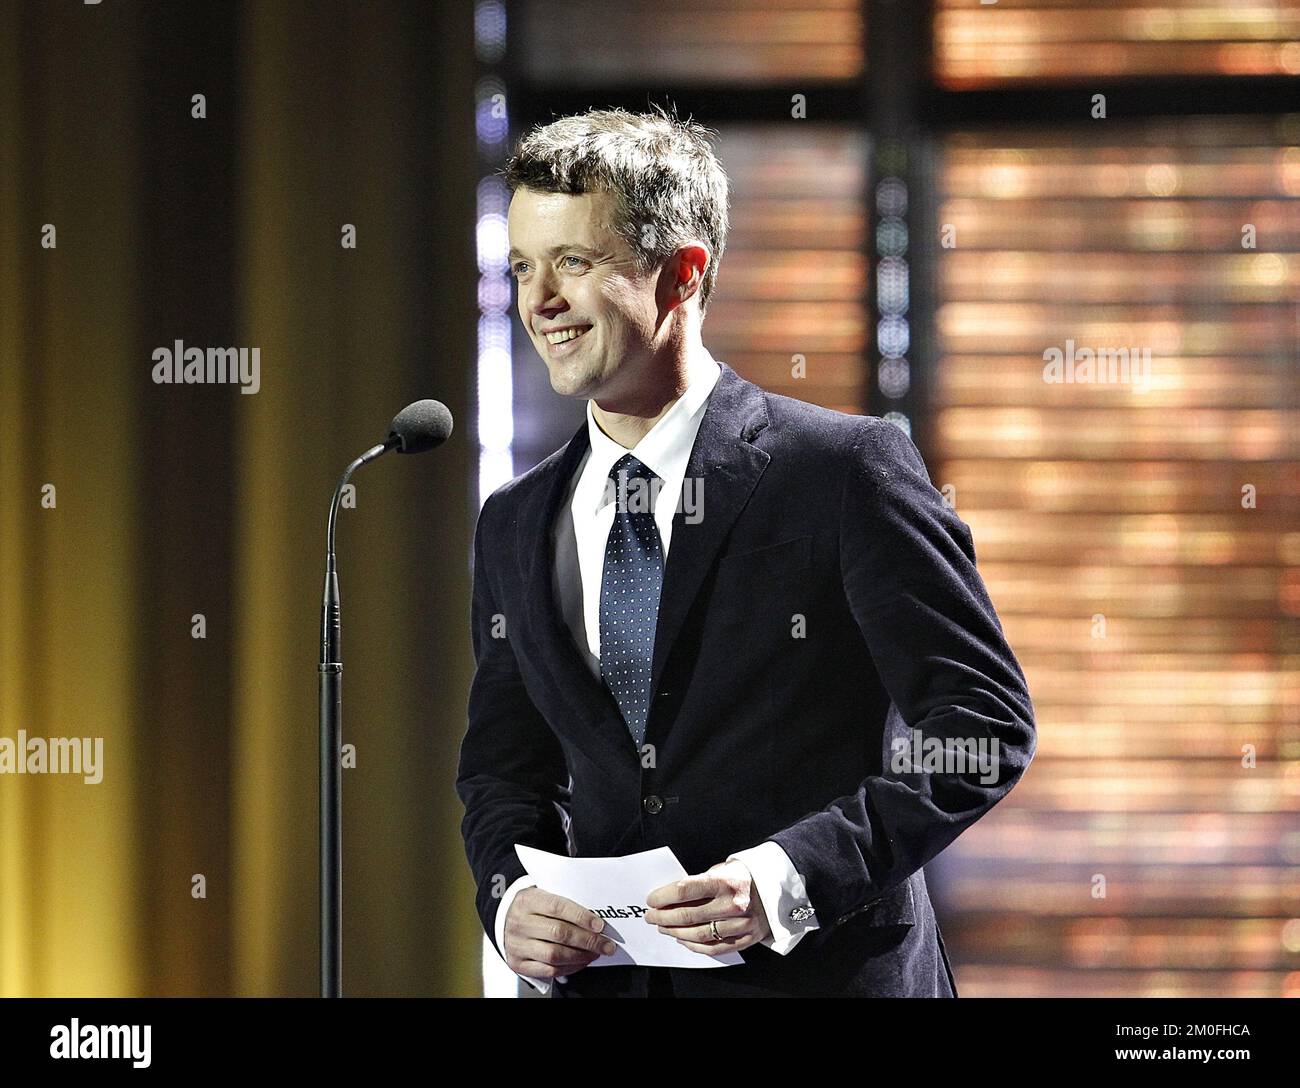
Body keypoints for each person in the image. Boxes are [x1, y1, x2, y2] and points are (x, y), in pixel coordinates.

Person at [456, 105, 1036, 998]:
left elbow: (979, 725)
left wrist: (787, 879)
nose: (538, 302)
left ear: (682, 274)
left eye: (574, 262)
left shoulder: (845, 471)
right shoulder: (513, 520)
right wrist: (510, 897)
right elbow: (504, 768)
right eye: (524, 266)